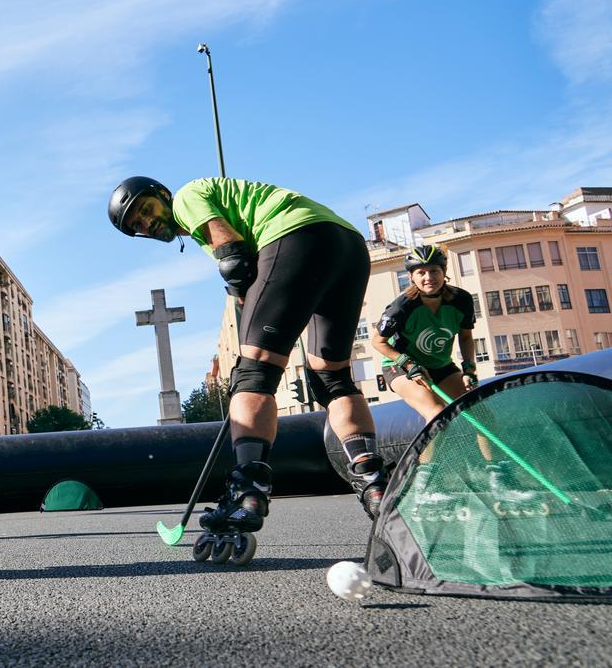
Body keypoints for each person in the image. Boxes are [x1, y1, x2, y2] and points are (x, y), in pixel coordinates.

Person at [108, 176, 386, 532]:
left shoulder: (187, 198)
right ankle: (373, 483)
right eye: (138, 226)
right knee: (331, 376)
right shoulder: (215, 202)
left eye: (146, 210)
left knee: (255, 373)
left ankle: (247, 493)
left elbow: (233, 256)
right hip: (346, 245)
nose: (147, 222)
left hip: (294, 235)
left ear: (163, 194)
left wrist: (241, 291)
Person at [370, 245, 536, 516]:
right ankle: (425, 488)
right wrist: (406, 362)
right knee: (436, 415)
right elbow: (377, 341)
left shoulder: (460, 299)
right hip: (401, 367)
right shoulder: (402, 306)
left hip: (441, 365)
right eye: (420, 272)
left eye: (434, 271)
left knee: (481, 412)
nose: (428, 278)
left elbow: (466, 336)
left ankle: (500, 481)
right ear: (411, 277)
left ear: (444, 272)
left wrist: (469, 368)